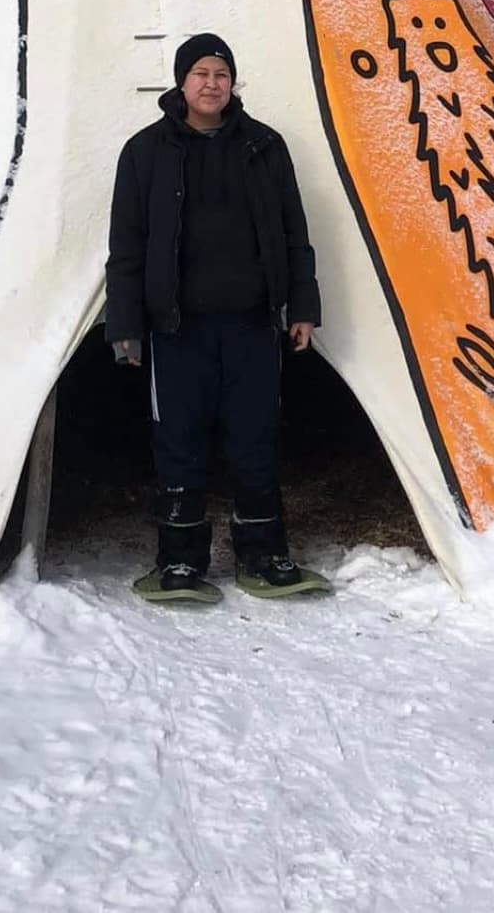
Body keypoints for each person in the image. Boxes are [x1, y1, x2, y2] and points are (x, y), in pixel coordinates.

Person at [105, 32, 327, 603]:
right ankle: (179, 562)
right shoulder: (145, 152)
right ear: (181, 82)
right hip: (176, 328)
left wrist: (301, 306)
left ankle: (265, 554)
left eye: (222, 74)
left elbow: (293, 232)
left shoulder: (263, 147)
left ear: (233, 84)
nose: (211, 83)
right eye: (201, 73)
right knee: (178, 440)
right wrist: (124, 325)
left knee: (256, 436)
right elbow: (127, 246)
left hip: (253, 324)